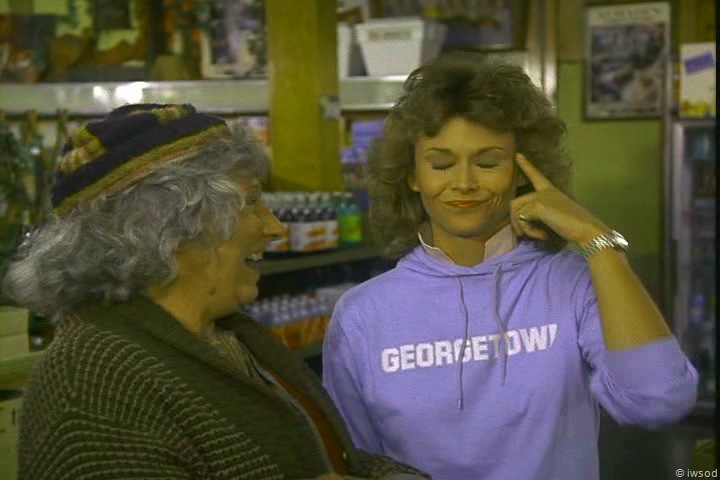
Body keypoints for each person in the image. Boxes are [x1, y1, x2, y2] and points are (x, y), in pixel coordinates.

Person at [321, 53, 698, 480]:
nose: (464, 183)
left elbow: (659, 401)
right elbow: (355, 461)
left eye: (488, 163)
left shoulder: (573, 283)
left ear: (522, 171)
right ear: (412, 175)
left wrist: (597, 239)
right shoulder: (361, 315)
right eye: (441, 164)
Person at [2, 104, 429, 480]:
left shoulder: (229, 334)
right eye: (251, 204)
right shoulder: (91, 386)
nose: (275, 228)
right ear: (168, 227)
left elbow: (329, 455)